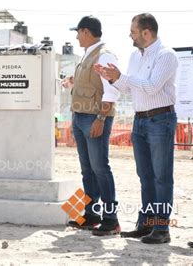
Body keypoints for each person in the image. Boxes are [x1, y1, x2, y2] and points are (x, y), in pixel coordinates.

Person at [95, 13, 178, 244]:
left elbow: (151, 88)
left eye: (132, 31)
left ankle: (162, 229)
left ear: (146, 32)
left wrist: (123, 77)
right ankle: (147, 224)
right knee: (145, 176)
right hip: (140, 120)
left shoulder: (166, 55)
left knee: (162, 177)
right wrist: (112, 78)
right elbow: (130, 89)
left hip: (161, 120)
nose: (129, 35)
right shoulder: (134, 55)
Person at [63, 16, 120, 236]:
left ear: (87, 32)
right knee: (88, 170)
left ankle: (111, 219)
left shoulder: (104, 54)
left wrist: (101, 119)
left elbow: (112, 90)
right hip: (81, 117)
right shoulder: (88, 54)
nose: (76, 37)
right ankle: (92, 214)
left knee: (100, 169)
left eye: (78, 32)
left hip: (94, 118)